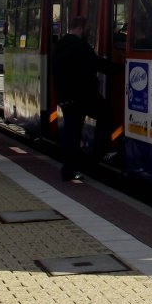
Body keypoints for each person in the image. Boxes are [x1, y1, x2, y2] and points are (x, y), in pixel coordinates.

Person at [51, 16, 115, 181]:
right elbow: (98, 64)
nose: (89, 32)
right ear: (80, 28)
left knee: (71, 133)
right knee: (106, 114)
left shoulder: (60, 45)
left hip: (65, 98)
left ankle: (69, 170)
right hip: (80, 97)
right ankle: (100, 153)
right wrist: (123, 67)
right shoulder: (80, 46)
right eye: (87, 29)